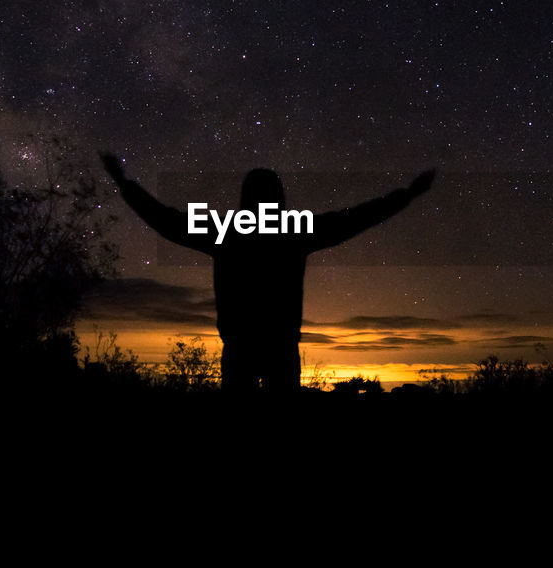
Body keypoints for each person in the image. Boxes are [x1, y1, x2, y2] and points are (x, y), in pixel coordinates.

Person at [101, 155, 435, 391]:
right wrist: (407, 195)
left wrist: (124, 183)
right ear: (280, 198)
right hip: (278, 347)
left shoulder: (227, 231)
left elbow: (166, 221)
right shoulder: (294, 231)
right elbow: (358, 218)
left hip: (242, 345)